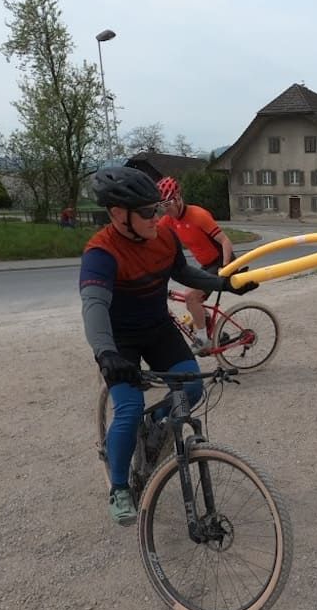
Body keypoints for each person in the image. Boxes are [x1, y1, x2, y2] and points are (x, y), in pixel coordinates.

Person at [79, 166, 257, 526]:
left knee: (192, 389)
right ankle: (118, 488)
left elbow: (185, 274)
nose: (157, 216)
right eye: (147, 211)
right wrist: (106, 353)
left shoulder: (163, 237)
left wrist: (228, 284)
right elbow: (93, 306)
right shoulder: (101, 252)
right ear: (117, 214)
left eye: (157, 207)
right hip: (120, 340)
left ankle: (156, 428)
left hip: (158, 329)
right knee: (128, 409)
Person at [155, 176, 235, 352]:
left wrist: (225, 268)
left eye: (168, 204)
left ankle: (203, 339)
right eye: (162, 206)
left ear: (178, 198)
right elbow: (154, 236)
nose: (166, 210)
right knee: (190, 300)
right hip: (207, 265)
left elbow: (225, 241)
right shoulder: (170, 220)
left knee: (191, 296)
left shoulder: (198, 215)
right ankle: (214, 334)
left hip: (221, 261)